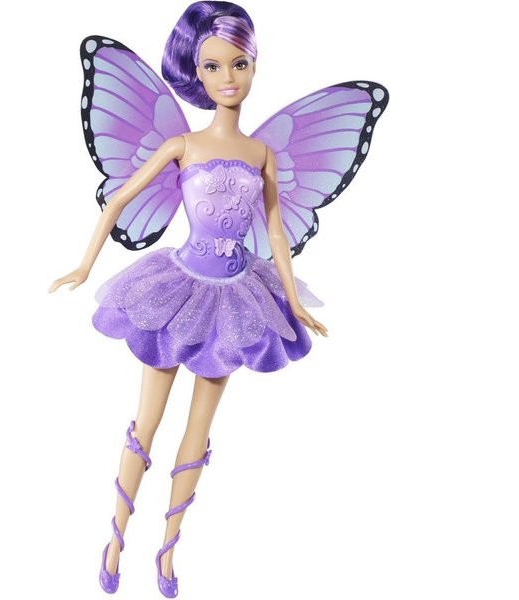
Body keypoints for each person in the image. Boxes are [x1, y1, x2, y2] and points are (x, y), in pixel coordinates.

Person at [48, 1, 387, 596]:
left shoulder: (262, 154)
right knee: (147, 421)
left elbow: (276, 233)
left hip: (235, 298)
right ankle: (116, 539)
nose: (228, 77)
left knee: (197, 430)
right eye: (212, 66)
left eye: (239, 64)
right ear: (195, 73)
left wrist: (293, 301)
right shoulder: (182, 143)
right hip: (175, 291)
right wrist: (84, 262)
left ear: (254, 66)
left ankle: (167, 551)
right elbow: (120, 198)